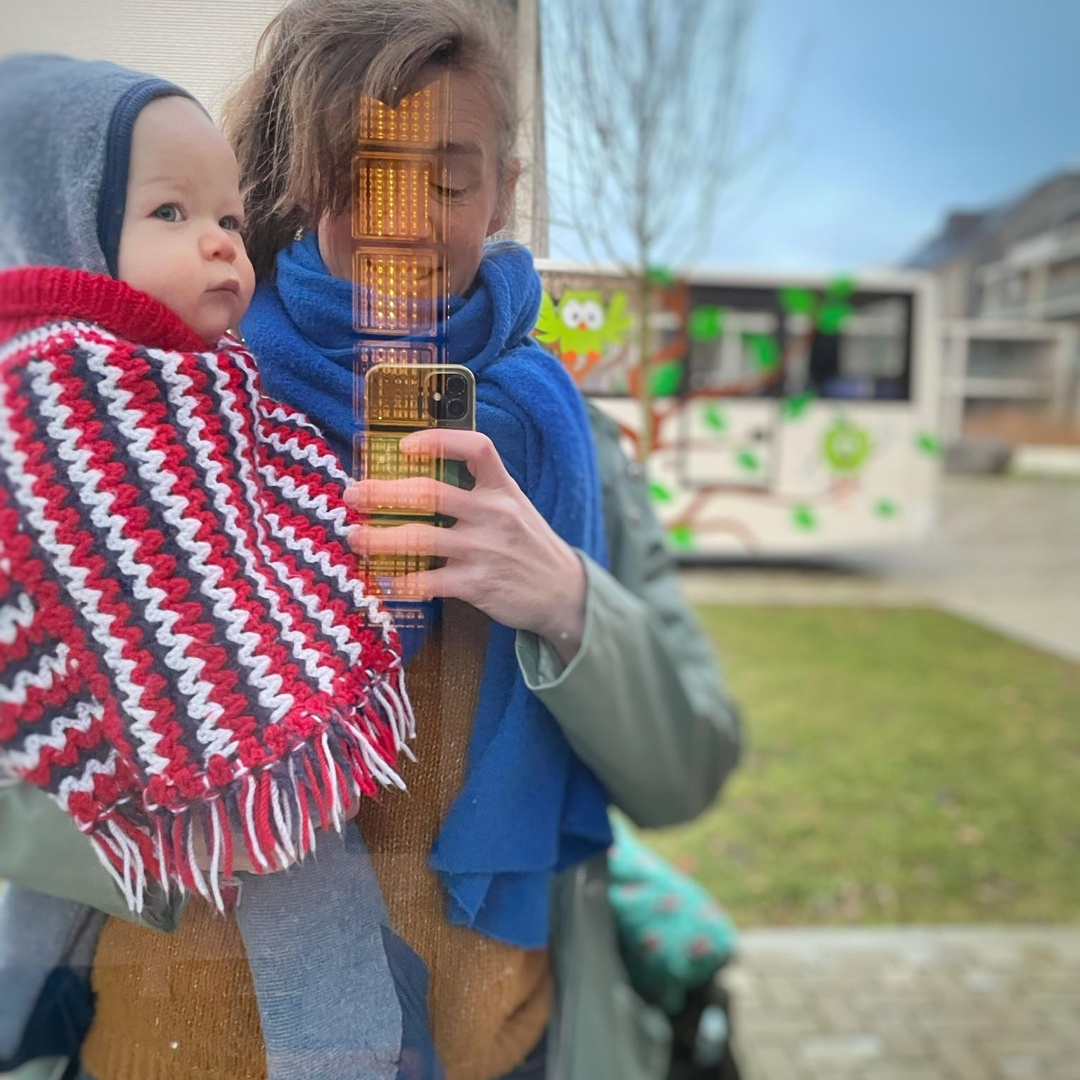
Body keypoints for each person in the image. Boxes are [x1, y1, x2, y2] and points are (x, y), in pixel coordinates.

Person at [0, 2, 744, 1078]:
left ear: (505, 191)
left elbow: (687, 769)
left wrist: (569, 602)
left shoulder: (570, 442)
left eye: (446, 177)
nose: (401, 218)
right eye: (360, 174)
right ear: (299, 181)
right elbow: (28, 796)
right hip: (177, 1045)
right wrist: (201, 753)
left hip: (508, 1043)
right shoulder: (160, 416)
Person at [0, 53, 441, 1080]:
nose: (218, 244)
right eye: (167, 212)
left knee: (101, 872)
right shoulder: (55, 389)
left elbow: (255, 527)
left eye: (232, 221)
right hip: (206, 743)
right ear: (56, 221)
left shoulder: (206, 382)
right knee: (310, 887)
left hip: (158, 749)